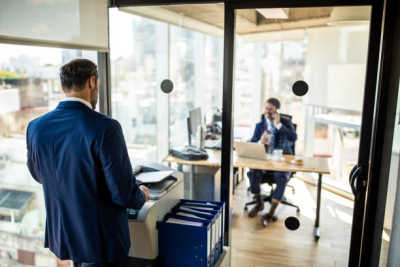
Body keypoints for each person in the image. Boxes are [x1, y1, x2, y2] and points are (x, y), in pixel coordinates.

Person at [26, 59, 150, 267]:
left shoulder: (36, 127)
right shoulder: (106, 127)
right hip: (102, 242)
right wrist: (141, 195)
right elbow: (122, 194)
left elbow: (40, 175)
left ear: (63, 86)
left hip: (66, 235)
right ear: (92, 82)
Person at [247, 98, 297, 225]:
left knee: (281, 178)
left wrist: (279, 124)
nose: (267, 112)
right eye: (266, 109)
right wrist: (260, 142)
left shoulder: (286, 122)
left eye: (271, 109)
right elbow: (252, 142)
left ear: (276, 111)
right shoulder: (260, 125)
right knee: (253, 173)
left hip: (281, 159)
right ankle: (259, 204)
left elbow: (293, 137)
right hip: (264, 159)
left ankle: (270, 213)